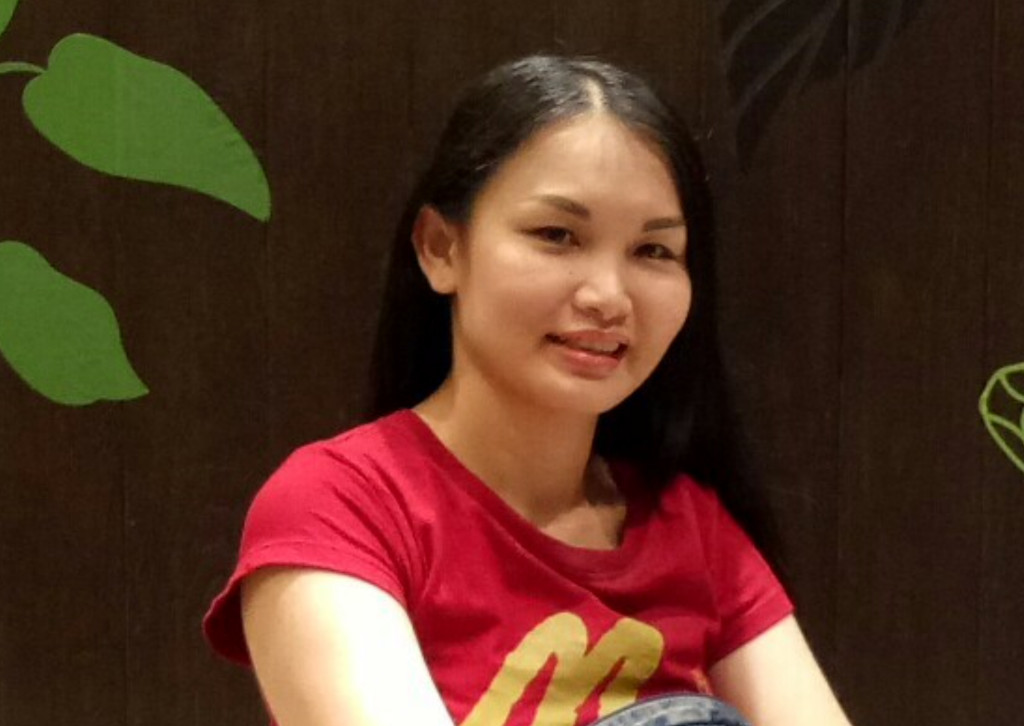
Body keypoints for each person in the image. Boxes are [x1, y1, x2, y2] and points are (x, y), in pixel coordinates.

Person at [202, 55, 853, 726]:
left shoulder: (691, 523)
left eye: (653, 251)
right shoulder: (342, 506)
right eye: (557, 236)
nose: (609, 296)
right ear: (440, 248)